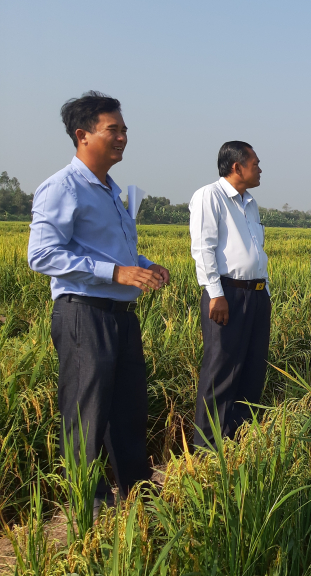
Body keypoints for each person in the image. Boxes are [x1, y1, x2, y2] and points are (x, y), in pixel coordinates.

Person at [27, 91, 170, 509]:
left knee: (128, 409)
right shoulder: (62, 187)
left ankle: (138, 493)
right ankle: (87, 506)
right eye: (114, 129)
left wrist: (144, 265)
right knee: (85, 414)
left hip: (120, 315)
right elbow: (43, 254)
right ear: (82, 135)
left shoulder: (110, 191)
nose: (123, 137)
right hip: (83, 314)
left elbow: (116, 253)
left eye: (125, 130)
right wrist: (117, 273)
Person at [188, 141, 271, 450]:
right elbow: (203, 248)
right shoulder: (210, 196)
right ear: (237, 167)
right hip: (227, 295)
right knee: (221, 371)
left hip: (257, 295)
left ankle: (240, 441)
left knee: (252, 368)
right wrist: (215, 293)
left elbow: (254, 251)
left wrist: (266, 294)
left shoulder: (250, 202)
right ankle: (207, 450)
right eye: (255, 163)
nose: (260, 169)